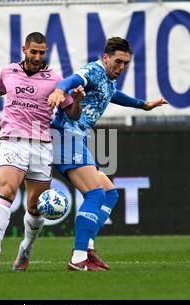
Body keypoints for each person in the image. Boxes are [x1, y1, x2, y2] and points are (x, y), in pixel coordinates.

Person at [0, 32, 84, 272]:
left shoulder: (56, 80)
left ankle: (26, 249)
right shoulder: (8, 72)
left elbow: (73, 114)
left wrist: (76, 101)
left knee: (35, 208)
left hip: (41, 145)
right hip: (12, 140)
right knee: (7, 190)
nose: (37, 57)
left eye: (42, 52)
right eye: (33, 51)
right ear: (24, 49)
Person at [48, 37, 167, 271]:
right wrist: (60, 89)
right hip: (64, 135)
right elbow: (73, 79)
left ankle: (87, 249)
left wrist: (144, 105)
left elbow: (114, 95)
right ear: (105, 57)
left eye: (125, 63)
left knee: (109, 193)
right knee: (94, 194)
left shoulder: (108, 80)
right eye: (118, 61)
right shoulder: (93, 71)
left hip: (75, 138)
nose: (121, 67)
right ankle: (78, 257)